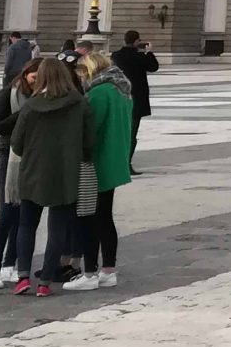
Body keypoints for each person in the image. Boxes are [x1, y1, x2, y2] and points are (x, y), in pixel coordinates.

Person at [9, 55, 92, 296]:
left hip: (33, 171)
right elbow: (89, 141)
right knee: (58, 229)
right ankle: (45, 281)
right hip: (65, 173)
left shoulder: (31, 106)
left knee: (26, 225)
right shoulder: (79, 104)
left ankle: (23, 277)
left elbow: (16, 143)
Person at [74, 49, 133, 290]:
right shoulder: (122, 91)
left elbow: (90, 130)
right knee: (105, 218)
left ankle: (89, 274)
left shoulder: (98, 94)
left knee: (89, 219)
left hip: (96, 163)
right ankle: (108, 269)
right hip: (115, 160)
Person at [0, 57, 29, 290]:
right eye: (33, 76)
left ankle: (10, 263)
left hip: (32, 158)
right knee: (7, 212)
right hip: (9, 155)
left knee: (23, 213)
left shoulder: (40, 97)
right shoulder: (7, 95)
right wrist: (22, 115)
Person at [109, 31, 158, 172]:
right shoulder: (139, 57)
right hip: (137, 98)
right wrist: (149, 52)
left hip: (120, 96)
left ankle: (115, 161)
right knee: (132, 133)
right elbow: (154, 67)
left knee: (119, 131)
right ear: (137, 41)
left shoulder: (116, 56)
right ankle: (126, 164)